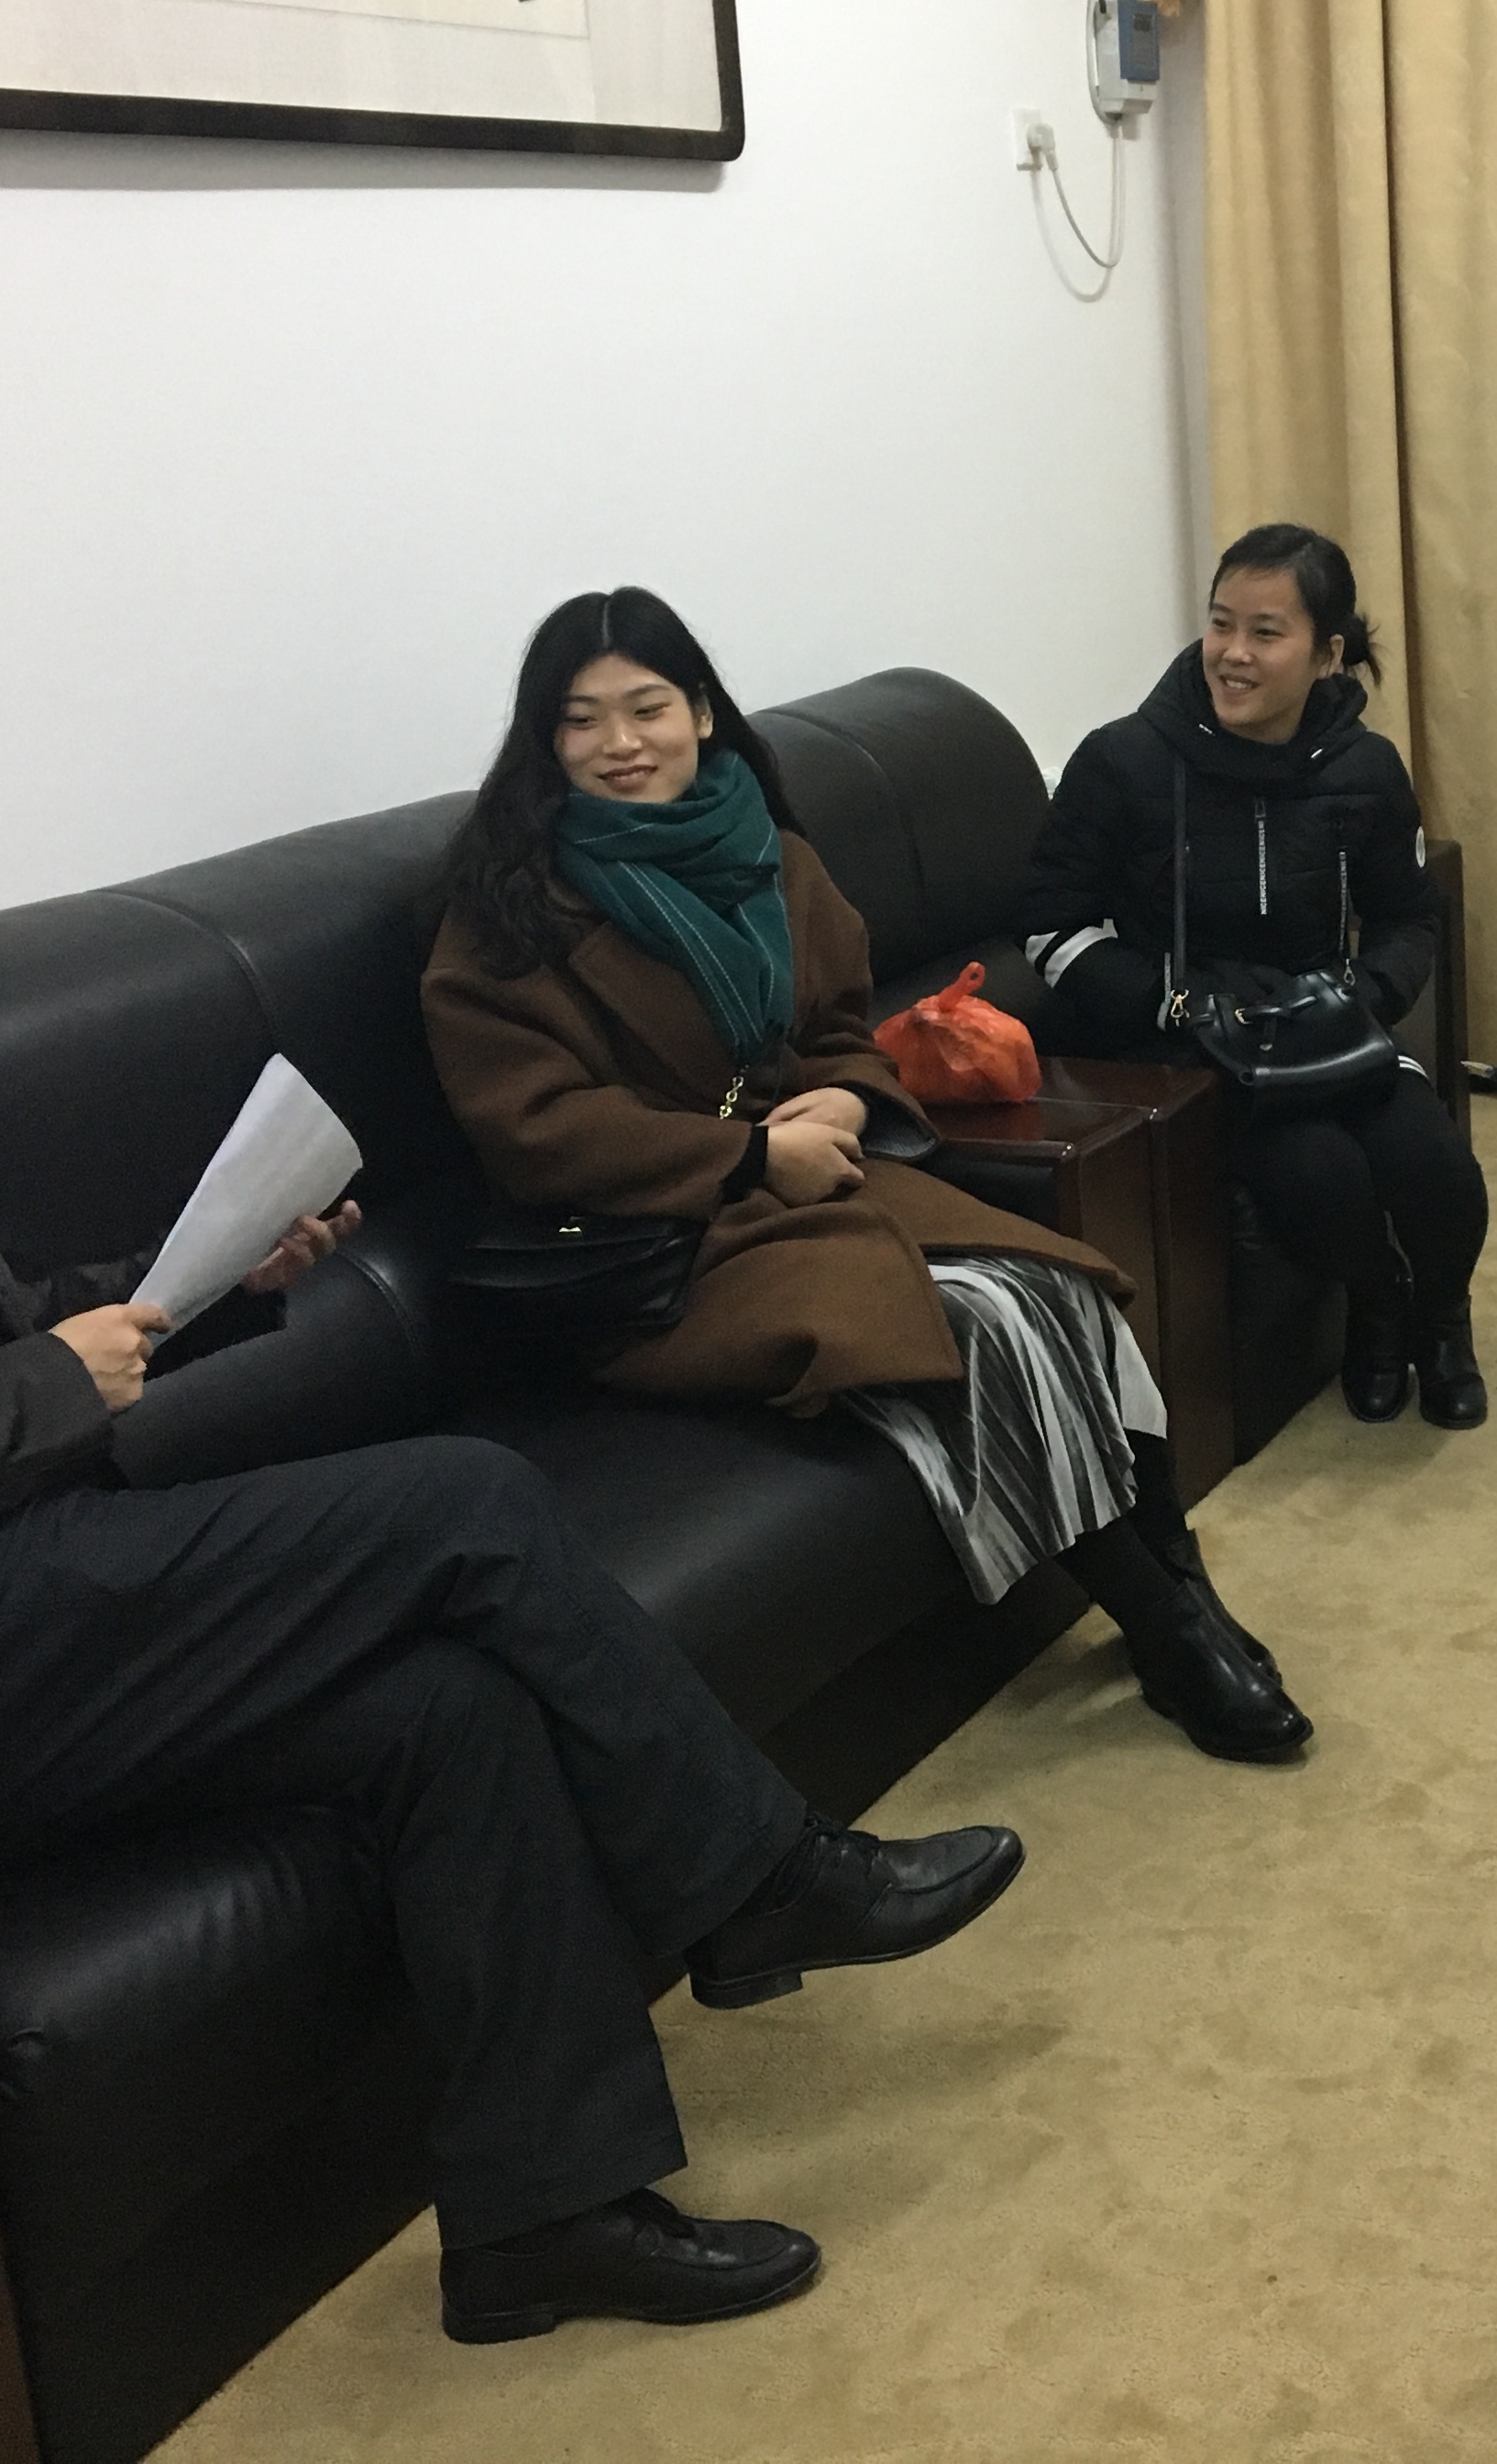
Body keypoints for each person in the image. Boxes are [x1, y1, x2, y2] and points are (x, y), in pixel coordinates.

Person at [0, 712, 1026, 2343]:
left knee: (446, 1709)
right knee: (467, 1500)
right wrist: (51, 1384)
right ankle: (761, 1874)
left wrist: (199, 1289)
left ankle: (544, 2213)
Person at [420, 588, 1310, 1764]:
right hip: (656, 1245)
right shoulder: (506, 906)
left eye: (647, 707)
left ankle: (1184, 1588)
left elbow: (840, 1029)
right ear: (545, 739)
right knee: (972, 1328)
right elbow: (535, 1129)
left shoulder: (768, 853)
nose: (620, 742)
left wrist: (845, 1096)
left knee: (1064, 1293)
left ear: (701, 713)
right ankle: (1167, 1630)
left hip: (805, 1184)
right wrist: (746, 1153)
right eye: (581, 720)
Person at [1015, 523, 1490, 1427]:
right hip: (1196, 1046)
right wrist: (1172, 1002)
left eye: (1266, 632)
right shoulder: (1123, 761)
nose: (1233, 653)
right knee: (1320, 1176)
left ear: (1327, 654)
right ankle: (1379, 1306)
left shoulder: (1364, 769)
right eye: (1221, 623)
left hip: (1328, 1031)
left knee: (1435, 1166)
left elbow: (1409, 916)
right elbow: (1049, 924)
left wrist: (1365, 997)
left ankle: (1444, 1322)